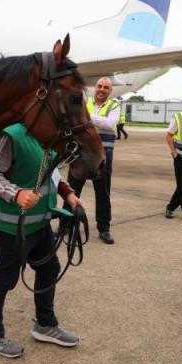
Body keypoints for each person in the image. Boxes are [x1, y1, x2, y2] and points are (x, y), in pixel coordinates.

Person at [0, 123, 84, 358]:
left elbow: (52, 173)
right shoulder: (13, 136)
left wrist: (68, 193)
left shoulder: (48, 135)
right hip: (13, 226)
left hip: (39, 222)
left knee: (49, 268)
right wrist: (16, 193)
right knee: (4, 278)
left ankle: (45, 325)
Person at [69, 77, 119, 244]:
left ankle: (104, 228)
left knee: (103, 192)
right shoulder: (85, 103)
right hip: (80, 153)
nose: (102, 89)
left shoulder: (115, 106)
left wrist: (87, 117)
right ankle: (65, 224)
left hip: (103, 156)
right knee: (72, 191)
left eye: (106, 87)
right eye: (99, 86)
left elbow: (109, 123)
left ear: (110, 91)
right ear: (94, 88)